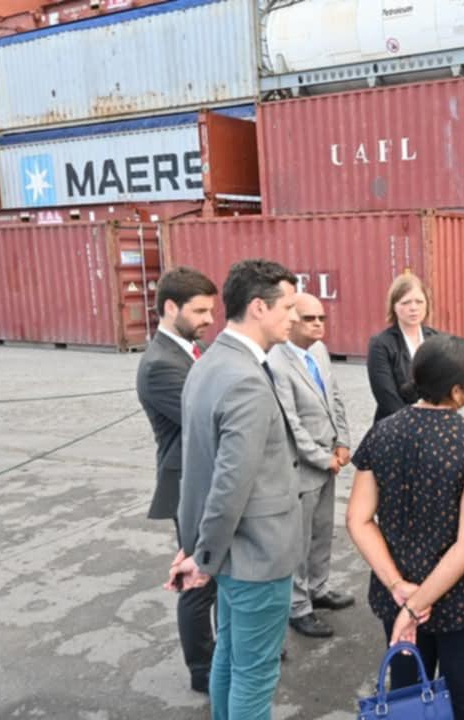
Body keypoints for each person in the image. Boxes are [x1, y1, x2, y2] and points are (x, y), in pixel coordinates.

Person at [169, 259, 302, 719]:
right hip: (257, 556)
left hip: (230, 554)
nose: (294, 316)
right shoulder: (245, 378)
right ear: (259, 307)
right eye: (288, 306)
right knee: (256, 674)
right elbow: (229, 482)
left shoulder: (210, 362)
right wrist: (202, 556)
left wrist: (197, 548)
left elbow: (197, 468)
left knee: (229, 656)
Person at [347, 334, 464, 720]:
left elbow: (358, 519)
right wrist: (418, 607)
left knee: (408, 699)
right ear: (458, 391)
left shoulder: (382, 433)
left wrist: (400, 590)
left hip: (398, 592)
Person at [135, 266, 218, 694]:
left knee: (219, 573)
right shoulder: (159, 365)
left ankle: (229, 650)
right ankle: (202, 669)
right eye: (200, 311)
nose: (209, 319)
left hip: (208, 477)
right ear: (171, 307)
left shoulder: (192, 349)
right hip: (191, 486)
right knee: (198, 580)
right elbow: (207, 419)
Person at [267, 292, 355, 640]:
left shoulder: (318, 351)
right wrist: (323, 458)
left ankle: (318, 589)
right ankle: (298, 607)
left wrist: (343, 440)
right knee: (299, 542)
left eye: (321, 318)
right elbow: (290, 424)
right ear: (291, 321)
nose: (318, 324)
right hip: (303, 467)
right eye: (309, 318)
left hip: (329, 459)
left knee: (322, 532)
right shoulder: (277, 362)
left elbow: (335, 398)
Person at [367, 273, 438, 424]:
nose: (413, 308)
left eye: (419, 301)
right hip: (395, 426)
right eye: (405, 303)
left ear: (427, 304)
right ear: (393, 306)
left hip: (434, 424)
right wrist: (415, 425)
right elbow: (387, 397)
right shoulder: (380, 344)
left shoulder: (437, 339)